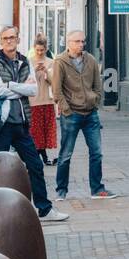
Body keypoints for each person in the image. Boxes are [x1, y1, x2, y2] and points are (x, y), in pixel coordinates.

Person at [0, 26, 68, 222]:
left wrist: (12, 86)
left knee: (36, 165)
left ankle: (44, 209)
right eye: (5, 38)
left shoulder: (24, 62)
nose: (9, 41)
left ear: (18, 39)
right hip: (2, 123)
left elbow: (33, 90)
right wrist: (19, 88)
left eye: (12, 37)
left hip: (21, 122)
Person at [50, 31, 112, 200]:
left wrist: (95, 101)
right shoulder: (60, 62)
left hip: (91, 114)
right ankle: (61, 191)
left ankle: (97, 189)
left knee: (97, 153)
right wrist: (66, 109)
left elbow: (97, 85)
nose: (81, 44)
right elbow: (57, 91)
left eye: (83, 41)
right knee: (65, 155)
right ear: (68, 43)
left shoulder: (90, 60)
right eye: (77, 41)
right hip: (71, 115)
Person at [28, 36, 58, 164]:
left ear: (46, 49)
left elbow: (54, 82)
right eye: (38, 50)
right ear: (34, 48)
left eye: (42, 50)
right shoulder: (29, 61)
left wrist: (47, 72)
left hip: (47, 100)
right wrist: (34, 71)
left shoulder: (51, 62)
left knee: (46, 131)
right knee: (35, 131)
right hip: (33, 101)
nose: (40, 52)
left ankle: (44, 157)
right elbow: (26, 81)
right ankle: (42, 158)